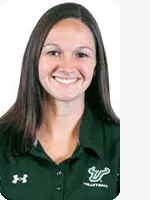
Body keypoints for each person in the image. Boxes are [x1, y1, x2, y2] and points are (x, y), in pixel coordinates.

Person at [0, 2, 120, 200]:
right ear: (35, 59)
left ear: (96, 65)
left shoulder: (125, 145)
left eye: (81, 54)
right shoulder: (3, 140)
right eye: (53, 52)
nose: (67, 66)